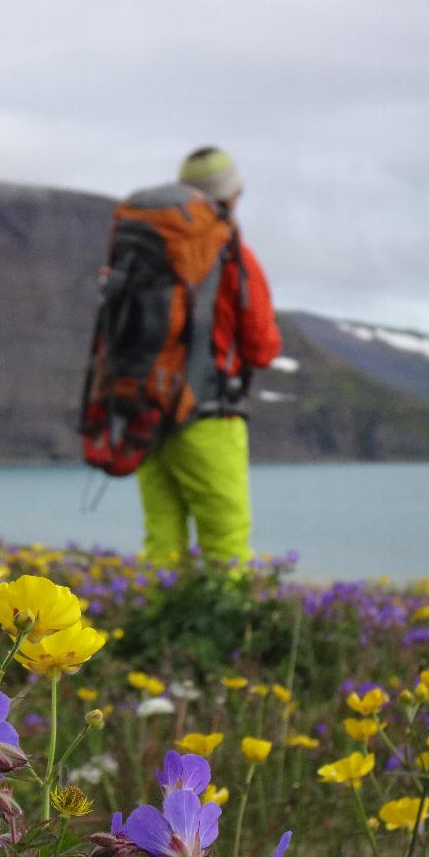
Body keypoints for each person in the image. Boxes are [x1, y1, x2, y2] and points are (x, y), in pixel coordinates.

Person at [135, 146, 282, 566]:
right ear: (230, 197)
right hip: (209, 417)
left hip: (144, 413)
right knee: (226, 543)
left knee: (162, 542)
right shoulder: (231, 253)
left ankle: (156, 625)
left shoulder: (146, 248)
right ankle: (227, 632)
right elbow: (262, 346)